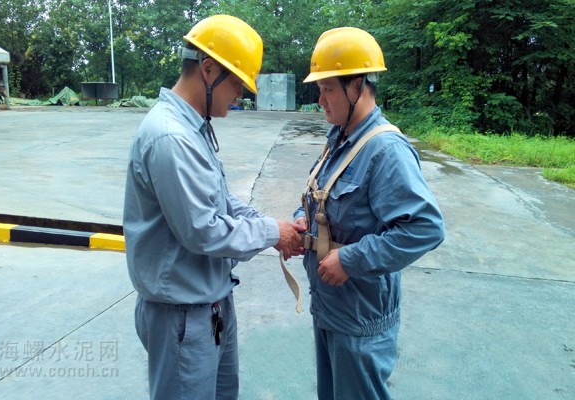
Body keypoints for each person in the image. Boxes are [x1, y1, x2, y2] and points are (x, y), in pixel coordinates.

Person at [123, 14, 303, 400]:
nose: (240, 95)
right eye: (237, 83)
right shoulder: (170, 137)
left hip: (210, 305)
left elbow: (220, 200)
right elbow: (203, 230)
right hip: (182, 315)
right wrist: (273, 232)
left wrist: (268, 225)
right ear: (208, 70)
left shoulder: (193, 127)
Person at [293, 27, 445, 400]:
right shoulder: (341, 139)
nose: (320, 100)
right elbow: (323, 196)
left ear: (357, 86)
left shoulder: (385, 150)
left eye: (327, 89)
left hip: (360, 319)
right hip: (331, 308)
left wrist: (351, 259)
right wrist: (303, 218)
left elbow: (425, 228)